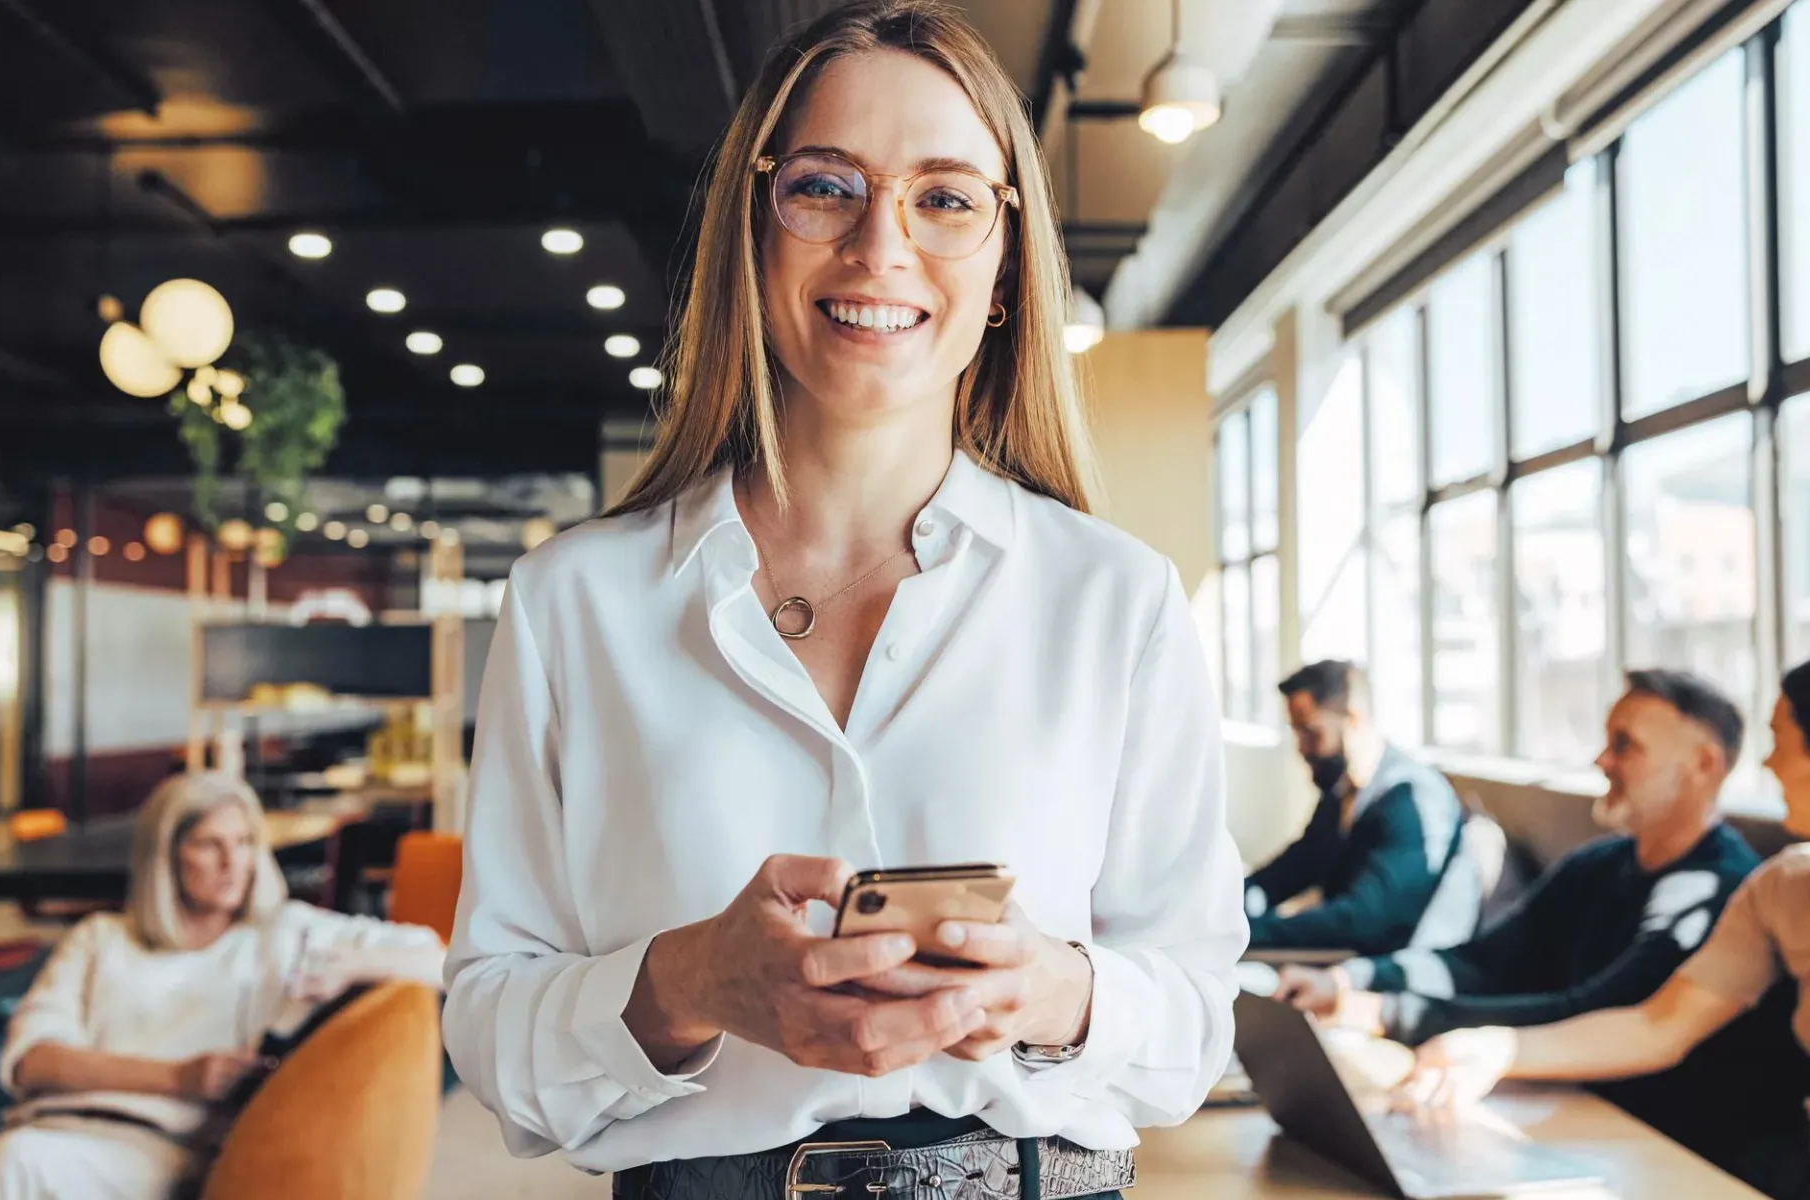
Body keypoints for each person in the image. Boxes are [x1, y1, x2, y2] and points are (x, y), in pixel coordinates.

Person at [439, 4, 1247, 1198]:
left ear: (1007, 265)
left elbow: (1193, 1017)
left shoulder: (1115, 601)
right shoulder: (573, 605)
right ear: (753, 229)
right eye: (826, 187)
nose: (882, 246)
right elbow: (488, 1030)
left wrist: (1049, 987)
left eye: (946, 196)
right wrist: (687, 986)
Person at [1398, 652, 1810, 1200]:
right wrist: (1501, 1048)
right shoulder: (1783, 887)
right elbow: (1658, 1025)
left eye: (1779, 740)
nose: (1765, 765)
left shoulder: (1713, 881)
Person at [1276, 670, 1761, 1152]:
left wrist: (1389, 1012)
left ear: (1704, 764)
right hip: (1556, 1114)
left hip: (1659, 1148)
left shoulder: (1717, 890)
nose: (1602, 759)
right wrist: (1351, 980)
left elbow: (1599, 1009)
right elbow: (1482, 962)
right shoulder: (1596, 863)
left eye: (1625, 744)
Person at [0, 773, 447, 1200]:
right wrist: (178, 1078)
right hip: (53, 1130)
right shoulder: (101, 938)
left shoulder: (284, 933)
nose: (234, 863)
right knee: (15, 1160)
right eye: (210, 844)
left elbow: (441, 960)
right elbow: (33, 1060)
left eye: (246, 842)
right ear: (167, 856)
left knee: (15, 1166)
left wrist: (352, 963)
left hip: (160, 1151)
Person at [1244, 660, 1468, 954]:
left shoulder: (1410, 800)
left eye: (1311, 733)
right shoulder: (1342, 793)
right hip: (1349, 965)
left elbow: (1364, 920)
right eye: (1297, 733)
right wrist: (1230, 901)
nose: (1301, 748)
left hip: (1397, 975)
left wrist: (1250, 932)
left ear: (1353, 719)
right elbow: (1296, 866)